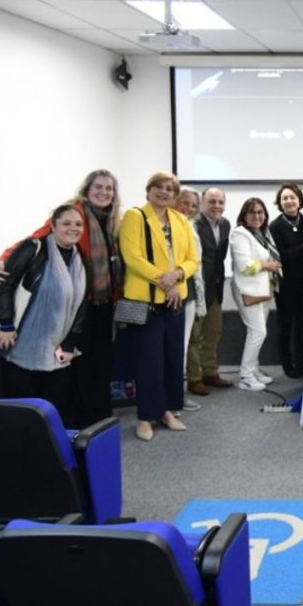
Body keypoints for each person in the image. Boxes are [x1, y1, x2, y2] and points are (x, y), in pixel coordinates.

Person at [0, 169, 123, 427]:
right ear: (86, 189)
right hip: (76, 304)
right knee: (76, 366)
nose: (103, 192)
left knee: (98, 363)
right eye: (98, 187)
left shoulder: (111, 221)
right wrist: (3, 260)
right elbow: (35, 238)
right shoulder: (74, 212)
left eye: (109, 188)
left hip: (101, 304)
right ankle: (78, 422)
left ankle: (97, 421)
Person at [118, 171, 198, 442]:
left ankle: (166, 411)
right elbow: (132, 257)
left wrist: (177, 274)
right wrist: (165, 280)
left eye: (170, 189)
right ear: (148, 189)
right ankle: (144, 417)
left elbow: (192, 259)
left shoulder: (180, 220)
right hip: (146, 301)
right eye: (159, 188)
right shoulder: (134, 216)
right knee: (148, 361)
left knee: (172, 358)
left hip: (175, 299)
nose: (164, 193)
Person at [0, 205, 88, 425]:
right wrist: (6, 324)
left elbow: (81, 303)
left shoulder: (78, 257)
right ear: (52, 226)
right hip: (21, 346)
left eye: (78, 224)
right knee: (22, 411)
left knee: (53, 410)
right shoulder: (34, 248)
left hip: (56, 350)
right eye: (66, 223)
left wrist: (70, 343)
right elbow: (5, 285)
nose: (73, 228)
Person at [230, 197, 281, 392]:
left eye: (261, 212)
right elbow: (245, 266)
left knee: (259, 331)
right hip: (248, 289)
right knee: (258, 332)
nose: (257, 216)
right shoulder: (240, 234)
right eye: (252, 212)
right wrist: (268, 265)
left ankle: (254, 368)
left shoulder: (263, 232)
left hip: (264, 289)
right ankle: (246, 376)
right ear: (244, 215)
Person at [186, 187, 234, 396]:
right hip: (197, 288)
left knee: (213, 332)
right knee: (195, 336)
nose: (217, 206)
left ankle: (210, 372)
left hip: (216, 287)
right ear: (202, 203)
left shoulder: (225, 224)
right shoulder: (192, 225)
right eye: (212, 201)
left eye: (220, 202)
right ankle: (194, 378)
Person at [269, 182, 303, 378]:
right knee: (285, 324)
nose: (289, 201)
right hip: (286, 284)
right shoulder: (275, 226)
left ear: (299, 200)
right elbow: (279, 257)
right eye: (285, 198)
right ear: (280, 203)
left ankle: (301, 361)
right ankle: (287, 363)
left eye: (292, 197)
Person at [174, 187, 206, 413]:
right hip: (171, 294)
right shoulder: (167, 225)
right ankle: (173, 397)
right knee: (175, 349)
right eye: (184, 203)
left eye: (194, 205)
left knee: (182, 348)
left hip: (191, 294)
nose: (189, 208)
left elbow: (195, 264)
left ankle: (177, 395)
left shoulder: (191, 227)